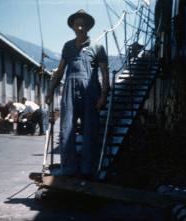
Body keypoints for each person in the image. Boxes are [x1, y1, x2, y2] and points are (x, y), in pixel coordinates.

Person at [46, 9, 110, 179]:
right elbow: (60, 71)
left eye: (83, 24)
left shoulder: (97, 47)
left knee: (90, 129)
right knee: (66, 128)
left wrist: (104, 95)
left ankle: (88, 169)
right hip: (69, 90)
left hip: (91, 90)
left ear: (88, 26)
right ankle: (68, 169)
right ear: (73, 26)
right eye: (77, 24)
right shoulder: (67, 46)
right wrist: (50, 90)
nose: (80, 27)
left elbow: (104, 73)